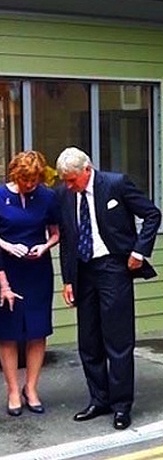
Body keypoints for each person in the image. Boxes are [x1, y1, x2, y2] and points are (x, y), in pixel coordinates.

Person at [56, 146, 161, 430]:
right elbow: (66, 238)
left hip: (114, 267)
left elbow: (152, 215)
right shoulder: (66, 194)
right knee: (88, 341)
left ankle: (121, 405)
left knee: (118, 339)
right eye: (65, 180)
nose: (68, 185)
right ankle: (99, 399)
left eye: (72, 179)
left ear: (87, 170)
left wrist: (139, 252)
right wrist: (67, 280)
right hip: (83, 271)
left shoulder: (116, 184)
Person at [0, 151, 60, 416]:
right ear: (16, 175)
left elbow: (57, 233)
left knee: (37, 331)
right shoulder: (1, 195)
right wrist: (8, 246)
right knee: (8, 333)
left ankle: (31, 388)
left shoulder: (47, 196)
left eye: (35, 180)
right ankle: (13, 390)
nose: (30, 185)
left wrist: (45, 246)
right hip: (6, 270)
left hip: (37, 271)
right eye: (26, 180)